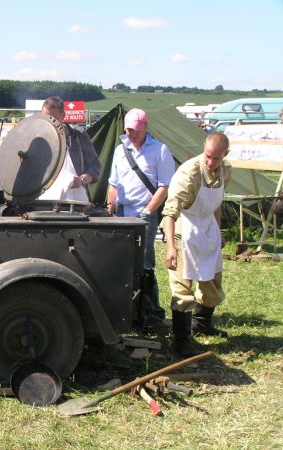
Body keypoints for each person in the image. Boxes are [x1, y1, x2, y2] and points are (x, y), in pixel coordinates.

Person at [162, 132, 231, 356]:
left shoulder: (225, 171)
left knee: (212, 280)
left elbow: (217, 203)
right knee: (182, 286)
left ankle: (203, 323)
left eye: (216, 158)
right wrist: (171, 246)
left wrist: (218, 230)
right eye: (208, 157)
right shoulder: (189, 173)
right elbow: (170, 213)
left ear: (225, 155)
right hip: (186, 226)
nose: (211, 163)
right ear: (204, 149)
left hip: (208, 226)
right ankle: (181, 340)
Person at [107, 108, 175, 332]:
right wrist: (110, 206)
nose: (132, 134)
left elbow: (165, 186)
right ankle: (126, 310)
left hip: (145, 214)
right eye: (128, 130)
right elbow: (114, 182)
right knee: (120, 262)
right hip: (121, 213)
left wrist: (148, 210)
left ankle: (150, 312)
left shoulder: (160, 150)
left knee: (144, 263)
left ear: (145, 127)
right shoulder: (120, 150)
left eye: (135, 130)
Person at [38, 96, 100, 202]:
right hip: (45, 197)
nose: (49, 122)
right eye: (45, 117)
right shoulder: (38, 138)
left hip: (74, 197)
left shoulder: (78, 135)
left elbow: (95, 166)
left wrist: (82, 180)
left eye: (52, 118)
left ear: (63, 115)